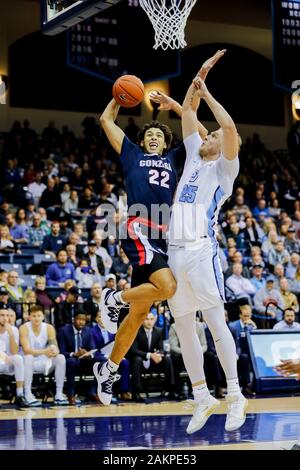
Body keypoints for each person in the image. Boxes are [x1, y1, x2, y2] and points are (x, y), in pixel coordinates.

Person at [93, 51, 224, 406]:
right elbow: (106, 120)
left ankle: (108, 368)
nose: (152, 138)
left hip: (165, 236)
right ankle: (112, 298)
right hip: (138, 223)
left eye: (157, 136)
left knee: (137, 317)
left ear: (165, 143)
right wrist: (120, 96)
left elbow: (200, 133)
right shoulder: (131, 153)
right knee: (167, 288)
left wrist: (176, 106)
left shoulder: (174, 157)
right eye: (148, 134)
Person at [154, 51, 247, 434]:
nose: (206, 136)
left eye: (211, 137)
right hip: (175, 251)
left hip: (200, 249)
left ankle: (236, 394)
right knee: (184, 325)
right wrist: (200, 76)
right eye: (204, 136)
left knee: (213, 320)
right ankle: (203, 396)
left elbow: (226, 128)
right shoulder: (193, 155)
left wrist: (207, 93)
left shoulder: (226, 169)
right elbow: (188, 111)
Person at [19, 305, 68, 406]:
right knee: (28, 357)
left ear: (43, 317)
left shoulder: (49, 328)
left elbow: (55, 346)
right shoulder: (24, 328)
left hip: (43, 360)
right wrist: (44, 352)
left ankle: (59, 394)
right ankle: (28, 393)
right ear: (29, 317)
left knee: (60, 357)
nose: (36, 318)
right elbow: (26, 350)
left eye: (38, 315)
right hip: (28, 362)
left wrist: (54, 351)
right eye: (34, 316)